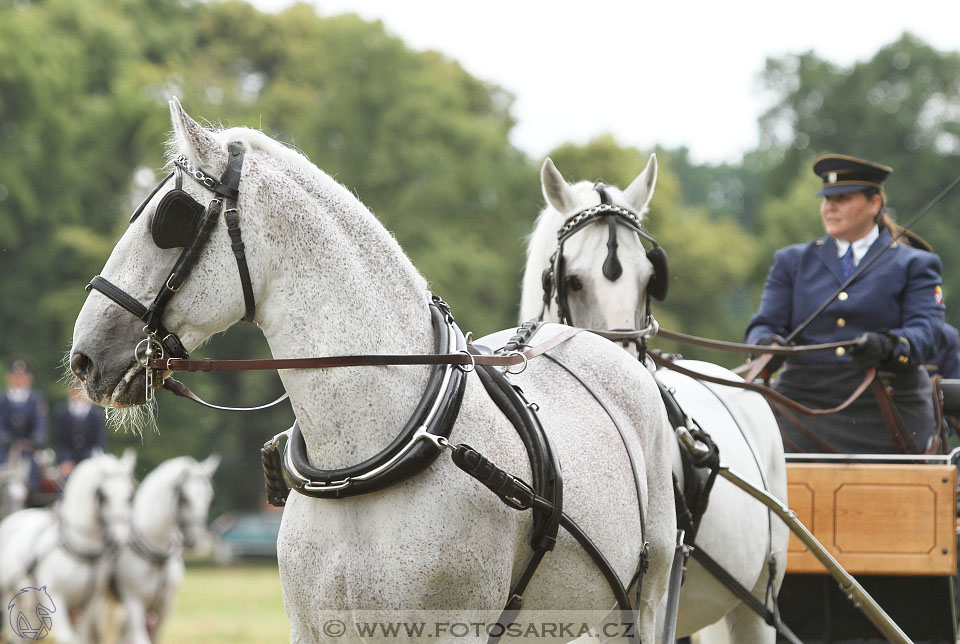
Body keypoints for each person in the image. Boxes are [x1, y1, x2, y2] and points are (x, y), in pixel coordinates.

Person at [745, 154, 945, 454]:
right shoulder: (792, 262)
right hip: (800, 408)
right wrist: (766, 345)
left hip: (885, 410)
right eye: (826, 199)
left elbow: (928, 333)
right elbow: (764, 323)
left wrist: (889, 346)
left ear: (874, 204)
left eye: (843, 198)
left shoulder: (915, 263)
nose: (830, 207)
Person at [0, 357, 49, 490]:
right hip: (5, 450)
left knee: (39, 475)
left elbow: (41, 425)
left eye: (22, 376)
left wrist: (35, 440)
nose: (19, 380)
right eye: (16, 376)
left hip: (29, 450)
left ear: (29, 378)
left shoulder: (37, 400)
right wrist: (7, 439)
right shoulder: (2, 400)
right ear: (9, 377)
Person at [52, 382, 107, 478]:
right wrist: (66, 461)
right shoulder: (62, 412)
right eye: (75, 391)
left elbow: (100, 440)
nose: (78, 395)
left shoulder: (96, 413)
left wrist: (94, 459)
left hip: (90, 458)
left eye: (81, 392)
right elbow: (60, 441)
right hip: (69, 459)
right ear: (70, 392)